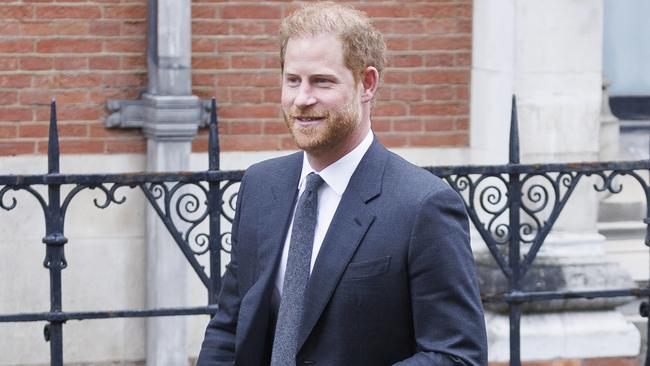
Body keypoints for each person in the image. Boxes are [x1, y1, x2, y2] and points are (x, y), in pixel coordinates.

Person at [197, 3, 487, 365]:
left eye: (322, 81)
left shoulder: (423, 206)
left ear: (367, 84)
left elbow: (457, 356)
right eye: (292, 80)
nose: (302, 99)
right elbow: (229, 327)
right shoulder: (260, 185)